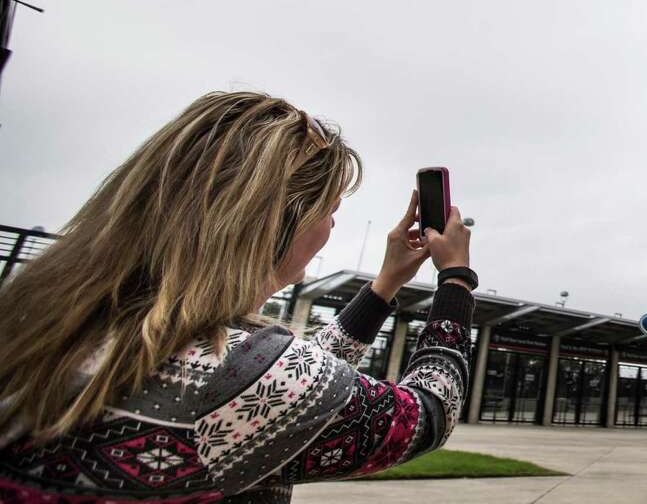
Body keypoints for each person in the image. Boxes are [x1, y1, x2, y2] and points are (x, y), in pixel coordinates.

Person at [0, 92, 477, 502]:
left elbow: (277, 372)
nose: (331, 227)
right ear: (273, 222)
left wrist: (384, 285)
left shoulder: (35, 326)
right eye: (329, 211)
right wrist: (456, 278)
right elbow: (429, 411)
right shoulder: (232, 376)